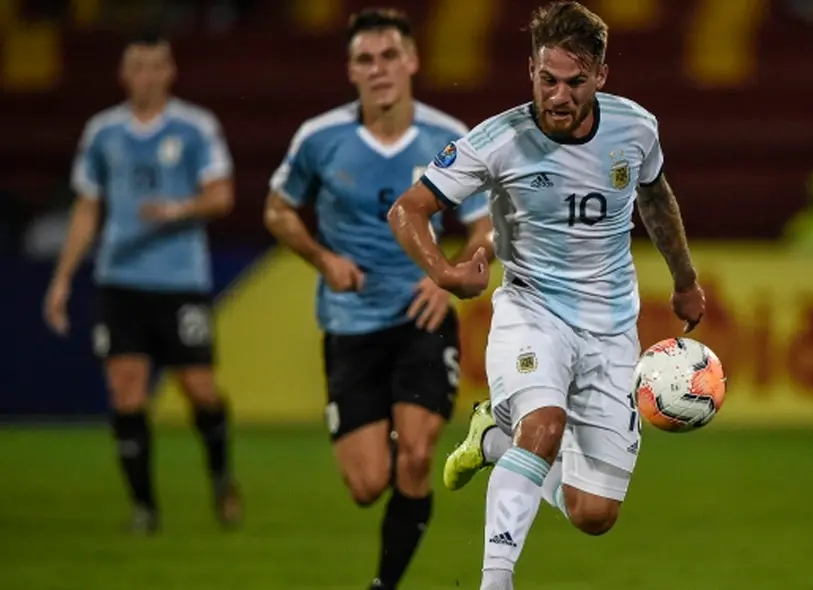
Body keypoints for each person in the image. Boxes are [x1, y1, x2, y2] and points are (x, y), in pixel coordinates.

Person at [387, 2, 706, 589]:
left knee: (594, 514)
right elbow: (408, 209)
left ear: (601, 77)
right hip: (531, 311)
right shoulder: (498, 140)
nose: (558, 96)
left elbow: (656, 200)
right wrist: (445, 272)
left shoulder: (635, 129)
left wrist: (684, 280)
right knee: (546, 421)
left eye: (575, 82)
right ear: (530, 69)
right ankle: (495, 580)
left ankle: (495, 435)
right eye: (546, 79)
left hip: (612, 329)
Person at [262, 8, 492, 590]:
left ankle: (382, 586)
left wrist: (446, 272)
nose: (379, 68)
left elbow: (487, 226)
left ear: (412, 60)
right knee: (367, 486)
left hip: (423, 315)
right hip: (350, 322)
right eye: (366, 59)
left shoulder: (449, 138)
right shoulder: (320, 140)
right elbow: (277, 209)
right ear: (351, 70)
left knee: (416, 455)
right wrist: (323, 258)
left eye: (390, 56)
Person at [43, 32, 241, 534]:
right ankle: (144, 507)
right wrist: (63, 278)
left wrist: (180, 209)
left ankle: (220, 476)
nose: (147, 76)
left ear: (170, 71)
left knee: (200, 390)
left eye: (156, 66)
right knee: (125, 393)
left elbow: (222, 196)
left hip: (179, 281)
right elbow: (88, 207)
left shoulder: (196, 127)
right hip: (119, 280)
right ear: (123, 73)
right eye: (138, 66)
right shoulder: (103, 132)